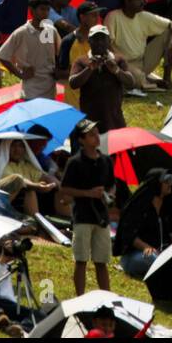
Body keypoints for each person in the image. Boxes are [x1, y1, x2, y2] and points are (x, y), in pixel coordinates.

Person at [61, 118, 115, 296]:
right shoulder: (75, 162)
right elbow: (65, 189)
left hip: (101, 217)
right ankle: (80, 297)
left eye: (96, 133)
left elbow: (111, 184)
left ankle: (107, 297)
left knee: (102, 261)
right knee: (81, 260)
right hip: (82, 216)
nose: (96, 137)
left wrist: (110, 194)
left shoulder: (106, 160)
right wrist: (88, 193)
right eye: (91, 135)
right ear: (81, 140)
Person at [0, 0, 59, 100]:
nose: (45, 13)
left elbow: (58, 53)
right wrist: (20, 74)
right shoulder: (21, 32)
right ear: (32, 10)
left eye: (48, 10)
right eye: (42, 9)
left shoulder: (51, 31)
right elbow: (2, 56)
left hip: (50, 88)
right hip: (30, 89)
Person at [68, 24, 129, 131]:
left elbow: (131, 82)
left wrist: (116, 70)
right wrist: (89, 69)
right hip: (90, 122)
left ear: (109, 41)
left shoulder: (118, 60)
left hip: (114, 120)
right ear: (89, 41)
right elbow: (73, 83)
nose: (100, 42)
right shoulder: (82, 61)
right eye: (96, 39)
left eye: (103, 39)